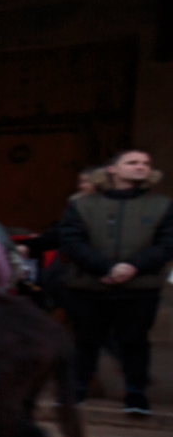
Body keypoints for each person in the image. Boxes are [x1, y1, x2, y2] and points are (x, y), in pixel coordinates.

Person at [58, 148, 173, 416]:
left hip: (139, 288)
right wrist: (106, 267)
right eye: (132, 162)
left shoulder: (162, 205)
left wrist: (133, 266)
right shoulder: (82, 204)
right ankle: (77, 390)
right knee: (85, 341)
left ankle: (135, 394)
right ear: (112, 169)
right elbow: (72, 241)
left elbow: (167, 243)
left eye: (146, 163)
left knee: (135, 342)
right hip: (90, 286)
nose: (141, 167)